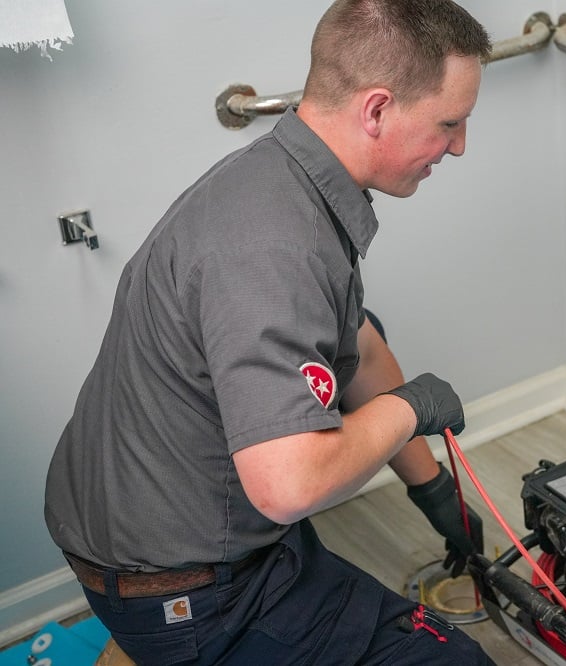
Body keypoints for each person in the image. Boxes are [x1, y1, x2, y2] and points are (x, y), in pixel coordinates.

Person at [43, 1, 494, 663]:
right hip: (186, 596)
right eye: (449, 123)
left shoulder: (283, 179)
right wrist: (410, 409)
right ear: (375, 109)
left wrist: (434, 496)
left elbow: (357, 344)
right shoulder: (274, 249)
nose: (458, 145)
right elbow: (291, 488)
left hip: (146, 518)